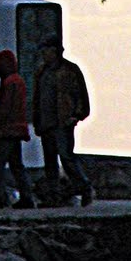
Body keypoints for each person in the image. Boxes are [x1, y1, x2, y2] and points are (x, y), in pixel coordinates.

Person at [32, 36, 94, 206]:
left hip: (63, 122)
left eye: (46, 50)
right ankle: (54, 197)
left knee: (67, 157)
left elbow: (81, 95)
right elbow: (37, 99)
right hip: (46, 123)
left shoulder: (70, 70)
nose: (44, 54)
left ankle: (84, 187)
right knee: (50, 161)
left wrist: (77, 115)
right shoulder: (41, 71)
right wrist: (36, 120)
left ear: (55, 51)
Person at [0, 49, 36, 208]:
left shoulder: (10, 82)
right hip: (15, 130)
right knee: (16, 165)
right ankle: (26, 196)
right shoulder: (16, 81)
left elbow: (5, 108)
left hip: (7, 131)